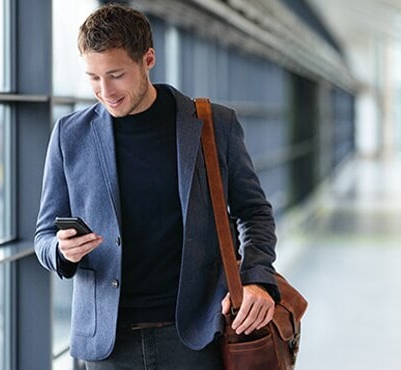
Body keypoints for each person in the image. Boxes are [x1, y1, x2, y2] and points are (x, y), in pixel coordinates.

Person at [34, 3, 280, 369]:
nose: (105, 91)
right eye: (93, 77)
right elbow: (43, 236)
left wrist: (258, 278)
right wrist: (61, 250)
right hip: (107, 346)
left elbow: (254, 212)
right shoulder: (71, 136)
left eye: (116, 75)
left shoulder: (212, 125)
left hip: (195, 338)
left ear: (148, 59)